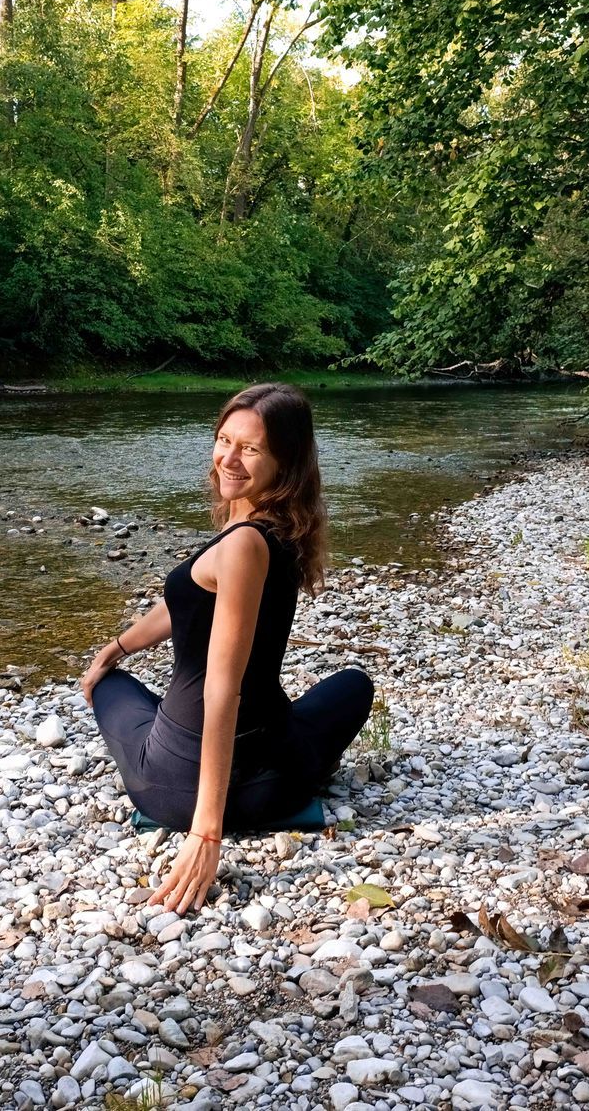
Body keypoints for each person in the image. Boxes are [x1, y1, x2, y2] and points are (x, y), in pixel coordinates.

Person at [78, 382, 375, 914]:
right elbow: (186, 605)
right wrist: (118, 645)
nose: (229, 459)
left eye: (251, 448)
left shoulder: (241, 544)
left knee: (114, 690)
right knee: (354, 685)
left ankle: (213, 813)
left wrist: (206, 833)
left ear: (285, 460)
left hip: (173, 789)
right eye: (223, 440)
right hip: (276, 785)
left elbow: (223, 688)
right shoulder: (268, 532)